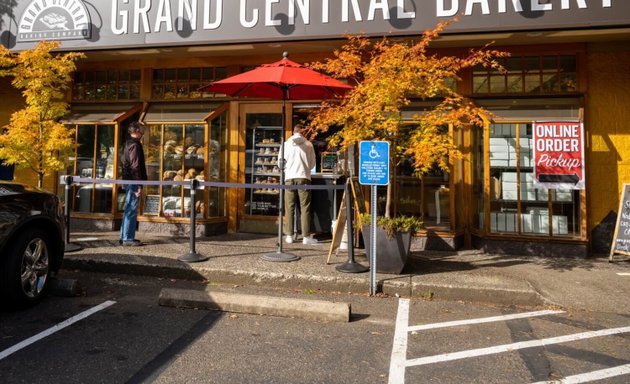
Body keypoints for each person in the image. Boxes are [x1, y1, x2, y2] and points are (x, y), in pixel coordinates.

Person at [280, 124, 318, 245]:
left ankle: (289, 236)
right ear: (303, 132)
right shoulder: (308, 144)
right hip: (304, 177)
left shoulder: (285, 144)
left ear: (293, 132)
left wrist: (288, 168)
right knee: (305, 207)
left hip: (289, 178)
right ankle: (306, 236)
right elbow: (312, 164)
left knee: (289, 207)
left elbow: (280, 164)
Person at [120, 121, 148, 246]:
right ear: (136, 131)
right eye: (141, 130)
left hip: (128, 179)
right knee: (131, 208)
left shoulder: (126, 143)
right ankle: (128, 238)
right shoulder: (135, 145)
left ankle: (125, 236)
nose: (143, 132)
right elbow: (135, 166)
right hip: (133, 181)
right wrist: (139, 185)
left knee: (128, 208)